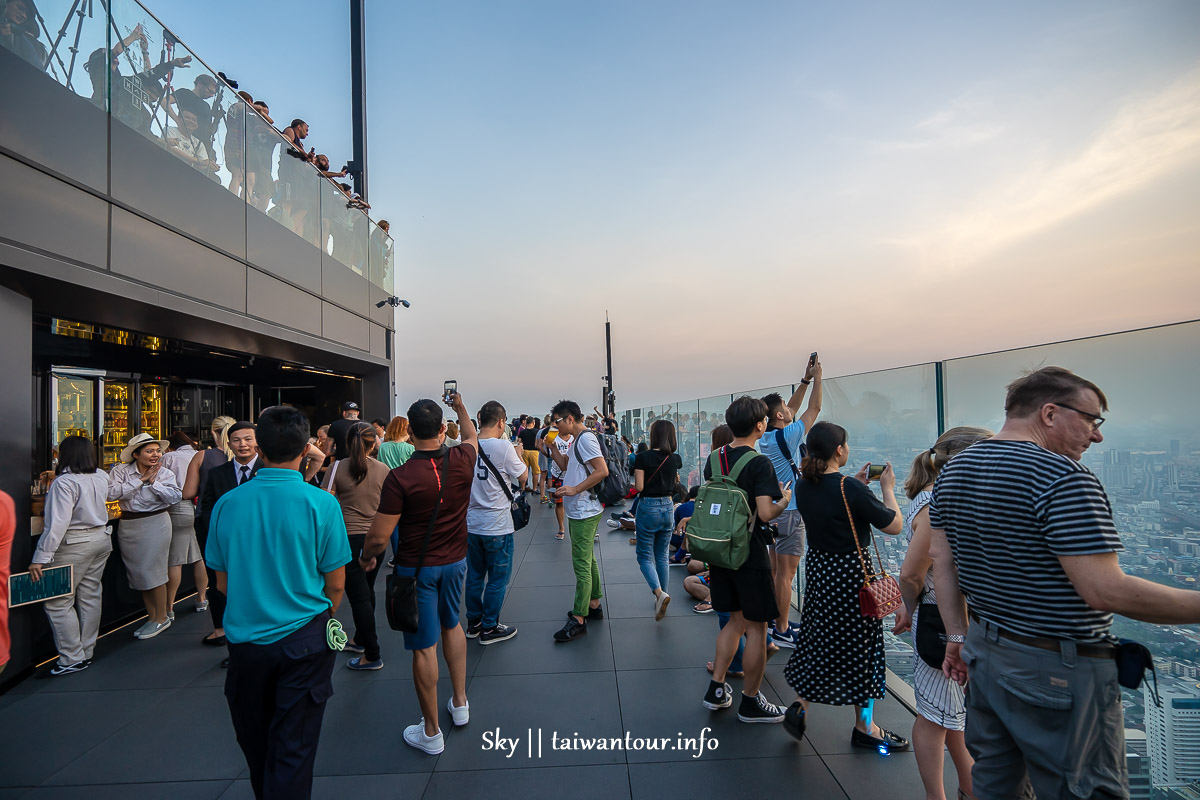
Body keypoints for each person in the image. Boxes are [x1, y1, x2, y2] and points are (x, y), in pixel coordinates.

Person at [929, 367, 1200, 798]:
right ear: (1050, 413)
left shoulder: (956, 468)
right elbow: (1105, 591)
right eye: (1092, 420)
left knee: (995, 784)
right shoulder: (1061, 477)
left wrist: (957, 635)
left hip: (986, 654)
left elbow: (942, 563)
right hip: (1056, 668)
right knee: (1084, 790)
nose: (1096, 437)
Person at [206, 405, 349, 800]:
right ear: (305, 449)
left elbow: (222, 582)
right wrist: (322, 617)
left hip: (246, 642)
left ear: (259, 449)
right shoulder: (321, 504)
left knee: (256, 744)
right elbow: (335, 584)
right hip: (306, 638)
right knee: (295, 748)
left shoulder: (227, 504)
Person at [358, 393, 478, 756]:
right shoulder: (462, 458)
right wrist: (459, 406)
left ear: (409, 432)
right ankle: (460, 702)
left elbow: (379, 536)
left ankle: (431, 732)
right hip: (456, 561)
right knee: (452, 625)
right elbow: (471, 435)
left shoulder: (400, 477)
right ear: (443, 429)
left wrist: (367, 558)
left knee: (424, 646)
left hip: (416, 569)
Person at [781, 421, 907, 749]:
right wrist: (887, 489)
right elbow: (894, 525)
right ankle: (866, 726)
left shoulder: (804, 484)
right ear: (840, 449)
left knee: (819, 637)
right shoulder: (849, 488)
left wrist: (856, 485)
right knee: (861, 646)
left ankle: (800, 704)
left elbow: (833, 500)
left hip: (821, 572)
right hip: (852, 575)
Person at [895, 427, 991, 800]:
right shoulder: (938, 505)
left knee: (950, 717)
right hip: (944, 623)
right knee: (936, 717)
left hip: (943, 620)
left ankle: (969, 790)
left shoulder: (938, 498)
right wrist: (911, 606)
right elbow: (911, 572)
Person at [700, 399, 792, 723]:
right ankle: (750, 702)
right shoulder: (759, 463)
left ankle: (716, 688)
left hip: (720, 552)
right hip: (750, 554)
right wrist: (784, 501)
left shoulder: (714, 458)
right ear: (759, 425)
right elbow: (766, 513)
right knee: (756, 628)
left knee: (734, 622)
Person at [28, 436, 111, 675]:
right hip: (101, 539)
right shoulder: (100, 475)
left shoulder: (64, 483)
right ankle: (86, 651)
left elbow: (57, 525)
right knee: (90, 595)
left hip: (74, 543)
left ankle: (71, 658)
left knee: (58, 602)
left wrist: (40, 557)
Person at [759, 358, 823, 649]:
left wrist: (805, 381)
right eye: (785, 407)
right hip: (791, 510)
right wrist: (819, 378)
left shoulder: (769, 436)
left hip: (772, 509)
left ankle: (776, 619)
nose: (789, 409)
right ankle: (782, 629)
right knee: (787, 574)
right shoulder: (789, 433)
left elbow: (794, 409)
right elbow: (813, 409)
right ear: (780, 416)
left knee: (776, 571)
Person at [323, 421, 389, 671]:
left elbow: (326, 504)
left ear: (348, 443)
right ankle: (362, 639)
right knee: (367, 590)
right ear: (375, 444)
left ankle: (372, 654)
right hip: (375, 540)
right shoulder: (384, 470)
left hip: (347, 540)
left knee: (359, 598)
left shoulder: (337, 467)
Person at [545, 400, 609, 643]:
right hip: (582, 508)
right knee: (588, 559)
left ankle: (579, 618)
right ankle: (593, 604)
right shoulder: (577, 440)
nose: (556, 425)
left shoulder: (587, 439)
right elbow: (565, 466)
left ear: (570, 418)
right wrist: (551, 448)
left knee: (581, 564)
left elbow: (602, 470)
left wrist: (574, 490)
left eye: (558, 421)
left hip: (584, 509)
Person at [108, 432, 182, 639]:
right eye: (150, 451)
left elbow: (175, 496)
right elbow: (111, 493)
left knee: (153, 571)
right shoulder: (121, 471)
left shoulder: (165, 473)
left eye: (158, 451)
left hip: (156, 523)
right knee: (138, 572)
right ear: (136, 454)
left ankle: (161, 617)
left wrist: (153, 483)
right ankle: (153, 616)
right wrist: (141, 480)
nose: (155, 455)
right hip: (129, 524)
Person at [463, 400, 526, 645]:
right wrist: (518, 454)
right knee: (498, 578)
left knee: (475, 576)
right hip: (497, 523)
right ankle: (490, 626)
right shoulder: (503, 447)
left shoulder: (466, 446)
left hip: (472, 523)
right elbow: (523, 477)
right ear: (501, 422)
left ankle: (473, 623)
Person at [195, 421, 260, 650]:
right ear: (229, 444)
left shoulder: (267, 470)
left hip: (259, 544)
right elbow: (207, 507)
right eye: (236, 440)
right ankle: (221, 629)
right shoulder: (217, 473)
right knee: (220, 584)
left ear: (257, 441)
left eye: (248, 439)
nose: (242, 444)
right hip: (225, 542)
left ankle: (253, 635)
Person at [633, 419, 682, 621]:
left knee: (644, 556)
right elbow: (675, 481)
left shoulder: (642, 457)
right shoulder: (675, 458)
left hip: (648, 507)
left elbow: (639, 487)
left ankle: (659, 593)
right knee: (661, 555)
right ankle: (663, 596)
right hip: (668, 507)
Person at [161, 431, 207, 614]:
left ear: (171, 445)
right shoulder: (200, 454)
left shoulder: (170, 457)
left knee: (175, 558)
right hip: (199, 506)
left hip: (179, 505)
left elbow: (161, 481)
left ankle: (168, 606)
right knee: (198, 556)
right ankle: (202, 598)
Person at [0, 0, 46, 70]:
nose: (24, 16)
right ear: (6, 3)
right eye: (20, 8)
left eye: (27, 15)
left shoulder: (20, 38)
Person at [517, 416, 541, 495]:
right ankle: (534, 489)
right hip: (534, 452)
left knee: (524, 470)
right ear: (533, 423)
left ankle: (523, 488)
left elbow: (519, 442)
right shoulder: (537, 431)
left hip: (525, 452)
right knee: (535, 472)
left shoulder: (522, 432)